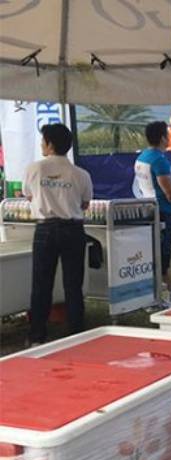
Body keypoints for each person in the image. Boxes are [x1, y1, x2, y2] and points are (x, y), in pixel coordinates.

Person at [23, 124, 92, 345]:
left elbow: (28, 196)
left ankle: (37, 336)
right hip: (73, 230)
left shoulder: (34, 169)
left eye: (43, 140)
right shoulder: (81, 174)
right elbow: (85, 204)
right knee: (73, 284)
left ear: (50, 144)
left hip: (45, 229)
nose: (41, 144)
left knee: (41, 284)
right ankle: (77, 334)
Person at [134, 121, 171, 306]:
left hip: (149, 210)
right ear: (163, 138)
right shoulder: (158, 160)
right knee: (161, 257)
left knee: (159, 256)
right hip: (162, 212)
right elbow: (169, 191)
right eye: (167, 134)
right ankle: (156, 297)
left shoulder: (142, 157)